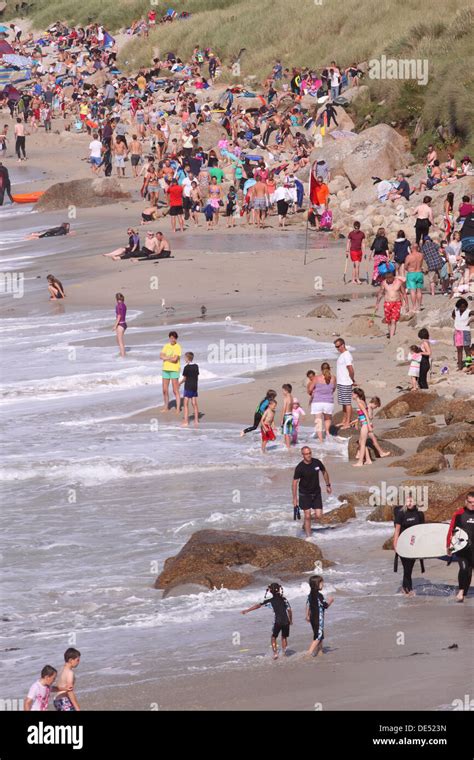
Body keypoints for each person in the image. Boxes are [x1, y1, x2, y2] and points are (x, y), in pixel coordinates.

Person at [241, 582, 292, 659]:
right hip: (286, 621)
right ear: (279, 590)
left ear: (270, 591)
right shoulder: (284, 599)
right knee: (284, 637)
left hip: (277, 621)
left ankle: (275, 653)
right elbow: (289, 610)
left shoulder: (270, 601)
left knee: (273, 637)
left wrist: (247, 610)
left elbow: (258, 606)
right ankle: (284, 653)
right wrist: (290, 620)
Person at [292, 446, 332, 539]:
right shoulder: (299, 467)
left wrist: (328, 485)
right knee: (307, 514)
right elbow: (294, 483)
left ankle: (306, 522)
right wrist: (295, 499)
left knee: (319, 515)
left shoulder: (317, 462)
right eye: (306, 454)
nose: (308, 455)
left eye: (309, 453)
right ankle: (308, 537)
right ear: (303, 455)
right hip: (304, 494)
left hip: (316, 493)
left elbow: (324, 471)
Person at [393, 497, 425, 596]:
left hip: (414, 544)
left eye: (411, 501)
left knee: (409, 567)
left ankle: (404, 587)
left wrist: (423, 544)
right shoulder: (401, 513)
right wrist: (395, 544)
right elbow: (397, 530)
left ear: (415, 502)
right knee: (406, 567)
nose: (409, 503)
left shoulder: (419, 514)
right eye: (407, 501)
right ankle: (408, 589)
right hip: (403, 544)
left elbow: (422, 530)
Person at [447, 491, 474, 603]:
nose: (473, 504)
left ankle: (465, 592)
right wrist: (448, 546)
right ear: (466, 501)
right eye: (470, 502)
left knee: (469, 571)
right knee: (463, 569)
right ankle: (461, 591)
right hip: (461, 548)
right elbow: (451, 530)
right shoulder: (459, 514)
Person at [305, 575, 334, 657]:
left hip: (312, 618)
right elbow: (325, 606)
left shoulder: (310, 595)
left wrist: (307, 615)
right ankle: (308, 654)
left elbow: (308, 604)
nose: (323, 585)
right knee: (318, 636)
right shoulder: (319, 595)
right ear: (317, 584)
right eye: (321, 583)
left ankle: (320, 651)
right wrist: (330, 601)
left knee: (318, 634)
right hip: (318, 618)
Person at [374, 271, 408, 339]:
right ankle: (390, 333)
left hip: (397, 303)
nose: (388, 280)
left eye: (390, 278)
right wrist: (377, 304)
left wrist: (407, 304)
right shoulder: (384, 283)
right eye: (387, 278)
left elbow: (404, 293)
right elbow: (380, 293)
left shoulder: (398, 282)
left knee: (394, 320)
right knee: (389, 321)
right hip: (387, 303)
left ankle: (392, 337)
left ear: (393, 277)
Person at [308, 362, 336, 442]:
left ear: (321, 369)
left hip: (317, 402)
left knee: (318, 420)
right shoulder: (333, 378)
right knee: (327, 418)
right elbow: (333, 389)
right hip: (328, 401)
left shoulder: (316, 378)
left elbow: (310, 389)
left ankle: (320, 440)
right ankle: (327, 432)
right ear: (329, 368)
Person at [334, 338, 355, 428]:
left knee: (347, 403)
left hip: (346, 382)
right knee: (343, 403)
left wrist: (352, 379)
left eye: (338, 346)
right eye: (336, 347)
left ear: (343, 345)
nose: (337, 348)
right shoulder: (343, 355)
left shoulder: (346, 355)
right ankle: (344, 420)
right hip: (341, 382)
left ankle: (348, 422)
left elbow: (350, 369)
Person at [160, 331, 182, 412]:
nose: (172, 340)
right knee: (164, 390)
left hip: (174, 370)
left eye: (174, 338)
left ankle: (178, 408)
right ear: (169, 338)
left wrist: (166, 357)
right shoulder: (166, 346)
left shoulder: (178, 347)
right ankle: (166, 407)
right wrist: (170, 358)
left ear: (176, 338)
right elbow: (161, 356)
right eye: (171, 338)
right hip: (165, 369)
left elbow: (175, 359)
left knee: (175, 390)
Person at [350, 387, 372, 467]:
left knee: (362, 443)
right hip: (364, 424)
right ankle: (368, 460)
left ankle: (360, 462)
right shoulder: (362, 401)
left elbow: (366, 414)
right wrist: (356, 420)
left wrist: (369, 425)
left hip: (365, 425)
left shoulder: (360, 402)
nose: (351, 395)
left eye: (352, 394)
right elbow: (362, 414)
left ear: (356, 395)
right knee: (361, 442)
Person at [452, 298, 473, 370]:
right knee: (459, 349)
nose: (462, 308)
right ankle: (460, 366)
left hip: (465, 331)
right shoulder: (456, 310)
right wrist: (457, 322)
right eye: (461, 307)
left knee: (467, 349)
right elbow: (453, 315)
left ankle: (469, 365)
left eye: (464, 307)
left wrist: (470, 320)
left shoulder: (468, 311)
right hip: (457, 332)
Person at [180, 351, 199, 427]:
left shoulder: (186, 367)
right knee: (194, 403)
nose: (184, 359)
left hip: (188, 386)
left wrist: (179, 383)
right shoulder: (196, 366)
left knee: (185, 404)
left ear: (187, 358)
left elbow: (185, 378)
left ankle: (186, 421)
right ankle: (196, 420)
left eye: (185, 357)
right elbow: (196, 376)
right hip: (194, 386)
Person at [404, 243, 424, 313]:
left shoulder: (409, 256)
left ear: (411, 248)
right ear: (417, 248)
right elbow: (421, 264)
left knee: (413, 291)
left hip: (411, 273)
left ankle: (414, 306)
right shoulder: (421, 255)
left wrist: (409, 269)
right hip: (419, 273)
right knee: (419, 290)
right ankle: (419, 306)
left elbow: (405, 266)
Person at [280, 383, 294, 450]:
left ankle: (288, 447)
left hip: (286, 415)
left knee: (286, 433)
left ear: (286, 390)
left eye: (283, 390)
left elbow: (284, 408)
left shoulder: (286, 398)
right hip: (291, 415)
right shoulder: (291, 397)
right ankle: (287, 445)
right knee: (288, 432)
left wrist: (282, 418)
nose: (282, 392)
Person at [114, 292, 127, 359]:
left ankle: (123, 356)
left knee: (120, 341)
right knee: (118, 339)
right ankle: (123, 352)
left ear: (116, 298)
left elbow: (119, 316)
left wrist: (115, 325)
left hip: (120, 324)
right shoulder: (124, 305)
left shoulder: (118, 305)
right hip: (124, 324)